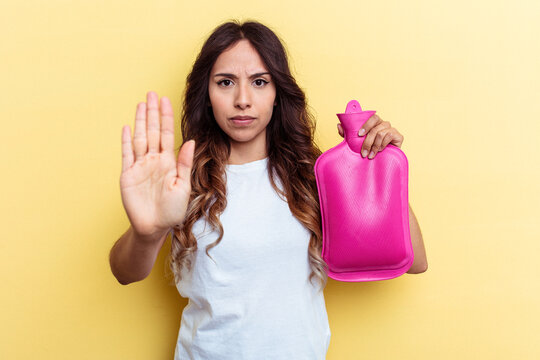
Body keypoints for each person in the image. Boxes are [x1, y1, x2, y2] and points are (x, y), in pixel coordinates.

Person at [109, 19, 428, 360]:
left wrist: (377, 168)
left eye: (259, 82)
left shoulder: (315, 176)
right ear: (207, 95)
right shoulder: (182, 179)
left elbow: (415, 262)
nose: (242, 99)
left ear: (277, 94)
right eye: (225, 82)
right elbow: (124, 272)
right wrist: (148, 233)